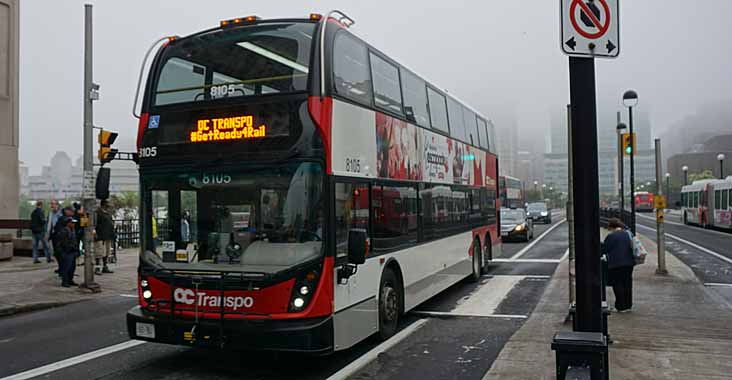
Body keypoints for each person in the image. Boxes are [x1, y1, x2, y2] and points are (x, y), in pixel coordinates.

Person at [602, 218, 635, 312]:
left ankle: (620, 306)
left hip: (616, 263)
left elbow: (605, 249)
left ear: (612, 227)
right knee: (627, 283)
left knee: (617, 284)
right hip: (629, 263)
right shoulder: (628, 234)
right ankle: (628, 305)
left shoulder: (611, 236)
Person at [56, 216, 79, 287]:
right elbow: (63, 243)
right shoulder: (64, 231)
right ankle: (65, 281)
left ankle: (70, 280)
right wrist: (69, 248)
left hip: (71, 252)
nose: (73, 224)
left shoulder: (72, 230)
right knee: (66, 267)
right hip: (67, 252)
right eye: (72, 223)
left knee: (72, 267)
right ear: (68, 223)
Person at [94, 200, 115, 274]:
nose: (108, 207)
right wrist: (94, 234)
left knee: (106, 252)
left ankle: (105, 267)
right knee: (99, 252)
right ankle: (97, 268)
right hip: (100, 235)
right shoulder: (97, 213)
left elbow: (111, 223)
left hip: (108, 236)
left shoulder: (108, 213)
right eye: (107, 205)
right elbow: (94, 224)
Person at [46, 200, 63, 272]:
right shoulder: (50, 213)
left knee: (60, 251)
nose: (52, 206)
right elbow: (49, 224)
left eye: (53, 204)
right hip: (53, 234)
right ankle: (60, 267)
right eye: (51, 204)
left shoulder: (61, 213)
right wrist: (47, 233)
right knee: (55, 252)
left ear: (57, 205)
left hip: (60, 234)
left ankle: (62, 268)